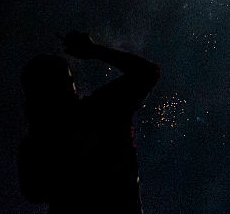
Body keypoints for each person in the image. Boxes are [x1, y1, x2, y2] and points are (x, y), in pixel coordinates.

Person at [19, 31, 160, 213]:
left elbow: (35, 193)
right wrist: (94, 50)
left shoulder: (34, 145)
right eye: (68, 81)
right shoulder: (102, 109)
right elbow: (147, 72)